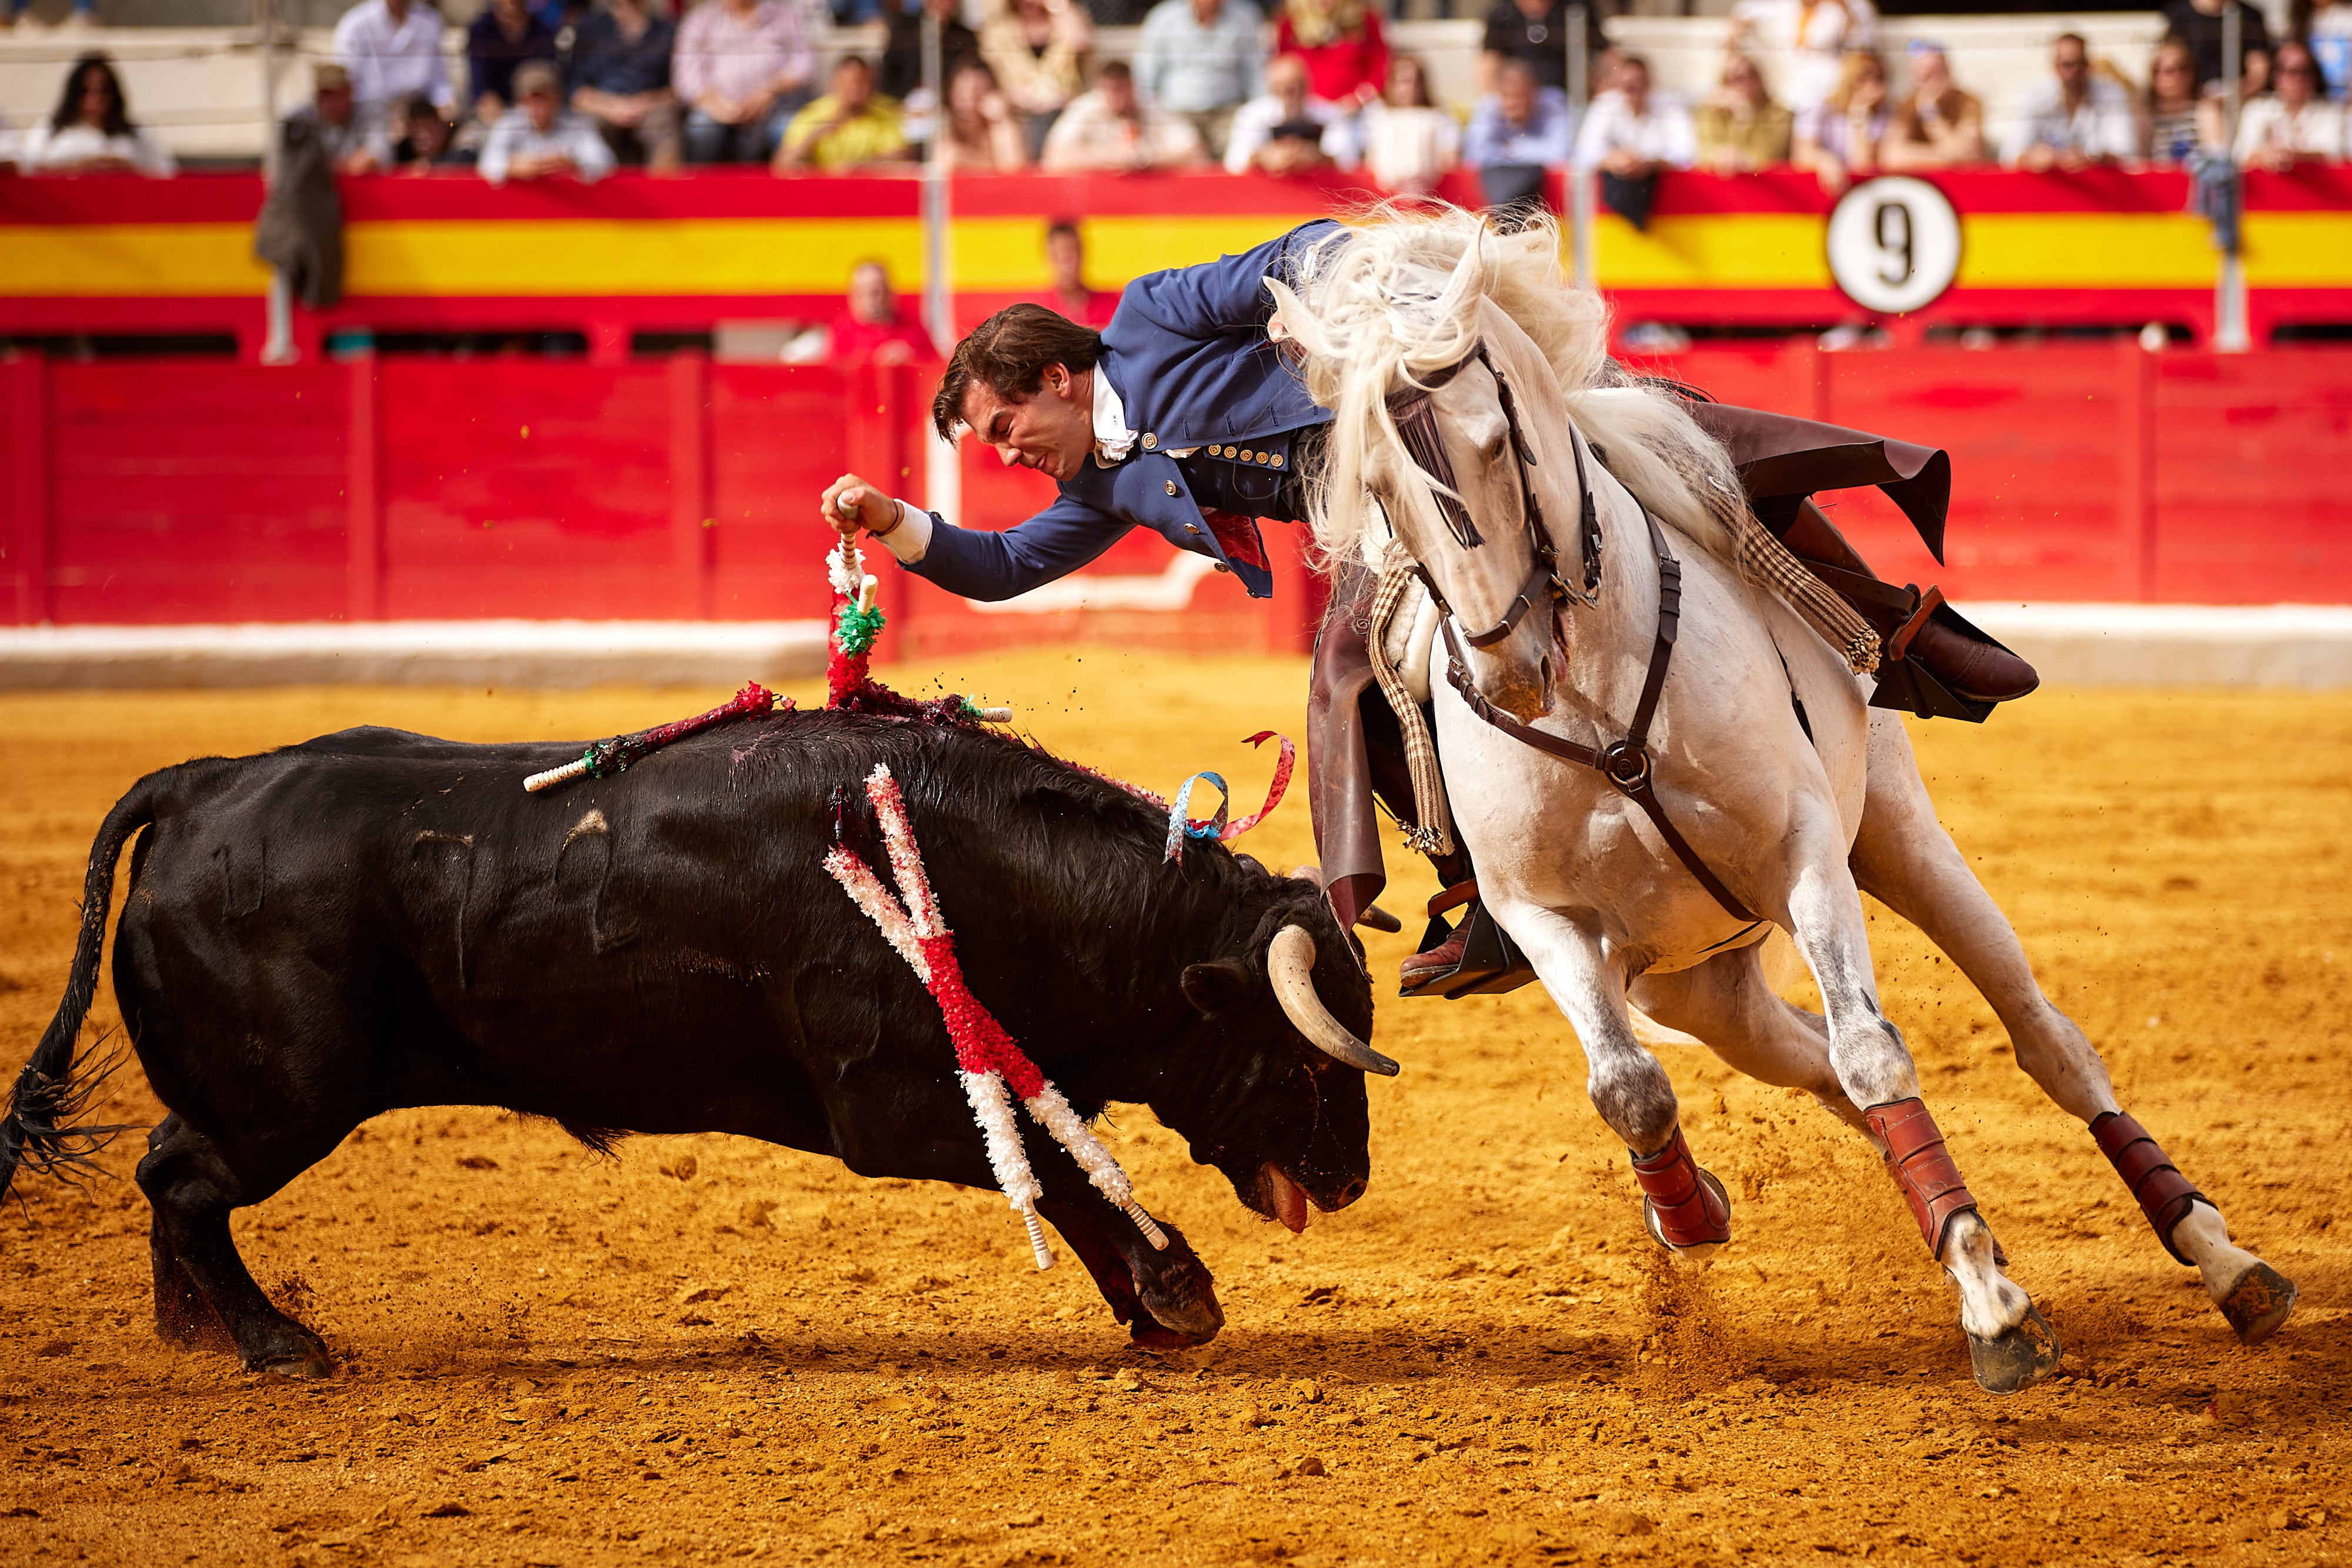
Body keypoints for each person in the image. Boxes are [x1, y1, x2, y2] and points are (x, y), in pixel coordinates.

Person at [814, 219, 2039, 993]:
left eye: (1000, 426)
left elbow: (1278, 259)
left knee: (1700, 459)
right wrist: (892, 524)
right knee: (1352, 672)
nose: (1005, 450)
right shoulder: (1108, 477)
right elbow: (1002, 565)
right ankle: (1470, 894)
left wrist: (1352, 303)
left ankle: (1894, 630)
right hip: (1391, 519)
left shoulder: (1146, 320)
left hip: (1435, 413)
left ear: (1057, 376)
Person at [674, 0, 817, 164]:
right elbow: (686, 79)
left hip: (775, 104)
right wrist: (719, 105)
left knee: (787, 126)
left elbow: (805, 67)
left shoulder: (785, 15)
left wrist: (770, 91)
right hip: (717, 108)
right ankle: (700, 187)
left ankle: (783, 188)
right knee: (701, 127)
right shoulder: (700, 20)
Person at [1572, 54, 1695, 229]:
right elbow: (1583, 153)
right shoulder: (1604, 105)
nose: (1633, 91)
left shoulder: (1670, 106)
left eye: (1638, 84)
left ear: (1649, 84)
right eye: (1627, 86)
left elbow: (1686, 154)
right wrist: (1612, 161)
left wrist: (1649, 165)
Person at [1133, 0, 1266, 162]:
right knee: (1178, 154)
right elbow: (1145, 76)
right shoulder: (1163, 18)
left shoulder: (1245, 18)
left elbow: (1255, 75)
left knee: (1245, 156)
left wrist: (1260, 114)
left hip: (1228, 114)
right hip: (1177, 114)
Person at [20, 52, 176, 176]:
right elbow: (27, 174)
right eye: (86, 91)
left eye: (103, 91)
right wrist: (79, 168)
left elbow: (167, 175)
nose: (95, 99)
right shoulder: (50, 129)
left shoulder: (138, 133)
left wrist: (126, 170)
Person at [568, 0, 681, 171]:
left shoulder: (666, 31)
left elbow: (678, 90)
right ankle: (599, 195)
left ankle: (662, 193)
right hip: (600, 107)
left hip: (651, 107)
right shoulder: (589, 29)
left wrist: (646, 102)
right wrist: (611, 107)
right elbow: (575, 91)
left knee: (665, 125)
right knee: (587, 126)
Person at [1040, 60, 1206, 172]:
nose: (1117, 97)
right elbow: (1054, 157)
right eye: (1111, 90)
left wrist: (1145, 160)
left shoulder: (1152, 105)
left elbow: (1196, 154)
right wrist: (1108, 158)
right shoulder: (1086, 108)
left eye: (1122, 89)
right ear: (1100, 89)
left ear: (1133, 87)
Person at [1331, 53, 1459, 196]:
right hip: (1380, 199)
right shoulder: (1374, 118)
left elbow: (1449, 160)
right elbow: (1356, 161)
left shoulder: (1441, 119)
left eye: (1410, 82)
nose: (1404, 89)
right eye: (1398, 81)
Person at [980, 0, 1091, 163]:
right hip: (1017, 116)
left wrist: (1056, 5)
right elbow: (988, 76)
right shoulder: (999, 29)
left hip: (1065, 113)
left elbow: (1082, 42)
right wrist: (1013, 98)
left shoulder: (1063, 19)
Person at [2008, 32, 2137, 170]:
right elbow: (2010, 155)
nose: (2070, 72)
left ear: (2087, 65)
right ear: (2053, 66)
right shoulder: (2035, 97)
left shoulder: (2111, 94)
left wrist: (2095, 158)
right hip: (2050, 185)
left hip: (2099, 186)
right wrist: (2031, 158)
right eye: (2065, 64)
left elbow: (2127, 154)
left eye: (2076, 64)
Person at [481, 58, 619, 182]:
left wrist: (574, 165)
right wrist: (511, 167)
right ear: (521, 102)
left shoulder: (577, 124)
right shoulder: (509, 123)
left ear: (558, 99)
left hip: (568, 205)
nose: (540, 109)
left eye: (546, 100)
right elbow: (486, 164)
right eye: (532, 102)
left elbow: (606, 164)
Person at [1727, 0, 1877, 113]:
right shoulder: (1787, 6)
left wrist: (1845, 11)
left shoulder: (1852, 6)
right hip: (1791, 87)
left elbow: (1863, 45)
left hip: (1829, 87)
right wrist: (1737, 33)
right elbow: (1745, 9)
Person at [1465, 56, 1571, 213]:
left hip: (1546, 202)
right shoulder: (1487, 107)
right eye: (1509, 96)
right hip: (1500, 190)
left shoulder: (1554, 104)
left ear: (1535, 92)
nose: (1516, 104)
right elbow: (1474, 155)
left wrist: (1512, 149)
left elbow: (1560, 154)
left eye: (1521, 96)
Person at [332, 0, 459, 131]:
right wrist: (389, 116)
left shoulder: (431, 20)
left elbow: (440, 83)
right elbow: (348, 90)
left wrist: (446, 106)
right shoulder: (355, 25)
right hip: (372, 119)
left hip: (420, 116)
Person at [776, 55, 909, 169]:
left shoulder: (886, 113)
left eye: (864, 83)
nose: (858, 90)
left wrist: (861, 168)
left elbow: (901, 159)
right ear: (835, 83)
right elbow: (782, 165)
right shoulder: (813, 114)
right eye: (851, 83)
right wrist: (814, 137)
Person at [1224, 52, 1341, 176]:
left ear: (1307, 85)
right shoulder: (1251, 115)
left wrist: (1316, 157)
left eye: (1296, 86)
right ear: (1271, 89)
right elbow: (1235, 163)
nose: (1291, 95)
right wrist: (1262, 157)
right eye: (1282, 88)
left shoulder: (1329, 114)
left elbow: (1346, 161)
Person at [2236, 40, 2347, 169]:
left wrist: (2294, 157)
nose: (2299, 79)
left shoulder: (2333, 113)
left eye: (2306, 71)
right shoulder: (2256, 110)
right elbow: (2240, 156)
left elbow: (2337, 157)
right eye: (2292, 72)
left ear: (2315, 76)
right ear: (2276, 76)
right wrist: (2264, 157)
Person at [1878, 40, 1984, 172]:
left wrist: (1931, 114)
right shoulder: (1906, 105)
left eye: (1935, 74)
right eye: (1924, 75)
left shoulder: (1968, 102)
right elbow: (1891, 156)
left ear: (1947, 73)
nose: (1930, 82)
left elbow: (1968, 153)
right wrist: (1947, 156)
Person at [1792, 49, 1888, 193]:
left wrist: (1860, 118)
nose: (1872, 85)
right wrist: (1825, 161)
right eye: (1864, 78)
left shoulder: (1884, 116)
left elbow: (1863, 163)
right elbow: (1802, 153)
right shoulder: (1819, 110)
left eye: (1878, 78)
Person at [1275, 0, 1387, 111]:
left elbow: (1381, 66)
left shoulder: (1364, 19)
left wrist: (1360, 98)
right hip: (1307, 111)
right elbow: (1284, 69)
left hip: (1357, 112)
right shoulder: (1291, 22)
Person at [1693, 52, 1792, 173]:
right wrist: (1723, 158)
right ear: (1725, 82)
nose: (1745, 84)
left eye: (1751, 76)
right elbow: (1704, 153)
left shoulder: (1779, 115)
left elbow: (1768, 156)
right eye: (1737, 79)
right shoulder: (1710, 112)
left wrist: (1744, 115)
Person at [1481, 0, 1605, 95]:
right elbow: (1490, 63)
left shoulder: (1576, 7)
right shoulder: (1501, 13)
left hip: (1565, 98)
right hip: (1518, 100)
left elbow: (1605, 54)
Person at [828, 260, 940, 364]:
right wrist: (875, 360)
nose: (870, 299)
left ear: (889, 292)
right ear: (853, 296)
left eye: (876, 292)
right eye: (863, 293)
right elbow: (834, 373)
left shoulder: (913, 326)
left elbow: (937, 367)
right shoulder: (842, 330)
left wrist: (913, 357)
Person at [285, 60, 385, 175]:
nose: (331, 103)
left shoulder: (370, 112)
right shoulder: (300, 117)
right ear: (317, 97)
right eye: (325, 95)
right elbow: (294, 163)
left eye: (337, 95)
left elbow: (376, 156)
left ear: (350, 92)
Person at [469, 0, 559, 126]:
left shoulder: (544, 30)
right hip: (494, 113)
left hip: (535, 110)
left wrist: (529, 107)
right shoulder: (481, 31)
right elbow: (480, 86)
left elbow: (545, 80)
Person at [880, 0, 981, 105]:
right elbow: (890, 74)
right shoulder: (904, 27)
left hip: (948, 105)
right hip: (904, 104)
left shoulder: (965, 36)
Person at [2161, 0, 2271, 94]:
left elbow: (2258, 73)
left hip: (2241, 97)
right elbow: (2171, 65)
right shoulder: (2179, 15)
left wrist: (2234, 94)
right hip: (2195, 98)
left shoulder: (2250, 16)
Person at [941, 60, 1028, 169]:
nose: (970, 104)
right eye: (962, 97)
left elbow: (1013, 168)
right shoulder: (945, 125)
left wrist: (1000, 121)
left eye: (978, 95)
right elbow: (943, 163)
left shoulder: (1002, 123)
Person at [1039, 220, 1119, 329]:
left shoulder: (1113, 306)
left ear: (1082, 254)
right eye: (1059, 256)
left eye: (1071, 254)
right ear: (1049, 258)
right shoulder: (1040, 313)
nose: (1067, 265)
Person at [2140, 36, 2202, 165]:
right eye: (2165, 70)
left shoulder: (2206, 111)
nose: (2174, 77)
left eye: (2181, 68)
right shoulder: (2144, 114)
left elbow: (2216, 160)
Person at [390, 92, 475, 169]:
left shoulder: (460, 147)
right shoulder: (400, 152)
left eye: (430, 129)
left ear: (441, 126)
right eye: (417, 131)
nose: (424, 135)